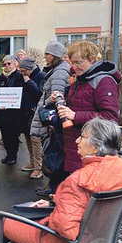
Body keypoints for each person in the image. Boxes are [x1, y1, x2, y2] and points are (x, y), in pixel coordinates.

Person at [57, 41, 121, 175]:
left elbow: (110, 117)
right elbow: (80, 104)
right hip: (77, 146)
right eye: (72, 63)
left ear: (92, 59)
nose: (74, 67)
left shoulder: (104, 81)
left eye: (78, 62)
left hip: (92, 149)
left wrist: (75, 116)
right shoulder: (81, 78)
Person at [30, 41, 71, 196]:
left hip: (53, 121)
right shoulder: (56, 70)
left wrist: (43, 108)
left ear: (54, 55)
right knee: (50, 153)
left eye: (47, 54)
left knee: (53, 155)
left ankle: (54, 189)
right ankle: (52, 187)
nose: (45, 57)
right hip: (52, 120)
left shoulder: (60, 72)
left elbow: (56, 96)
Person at [17, 58, 45, 178]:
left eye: (24, 71)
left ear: (29, 69)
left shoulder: (40, 75)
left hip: (35, 113)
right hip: (25, 112)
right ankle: (32, 162)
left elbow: (39, 92)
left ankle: (39, 167)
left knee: (35, 140)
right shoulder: (23, 76)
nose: (22, 73)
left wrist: (28, 81)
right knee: (28, 138)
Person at [0, 55, 24, 164]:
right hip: (2, 112)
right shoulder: (1, 77)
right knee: (5, 135)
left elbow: (20, 92)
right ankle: (8, 155)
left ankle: (13, 156)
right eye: (5, 64)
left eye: (9, 64)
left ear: (13, 64)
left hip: (14, 113)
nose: (7, 66)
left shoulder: (18, 76)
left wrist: (12, 102)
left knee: (13, 135)